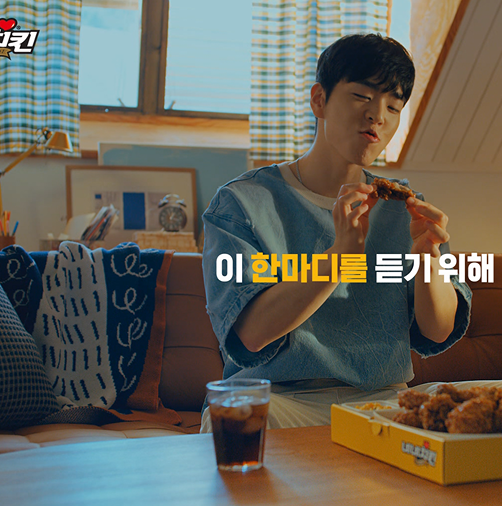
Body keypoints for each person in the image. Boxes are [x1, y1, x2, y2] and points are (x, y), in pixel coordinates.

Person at [199, 33, 473, 430]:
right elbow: (251, 335)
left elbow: (438, 330)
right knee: (232, 421)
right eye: (362, 96)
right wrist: (340, 257)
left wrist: (427, 259)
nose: (378, 116)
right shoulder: (242, 203)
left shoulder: (404, 209)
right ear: (319, 100)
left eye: (393, 107)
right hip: (282, 401)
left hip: (384, 402)